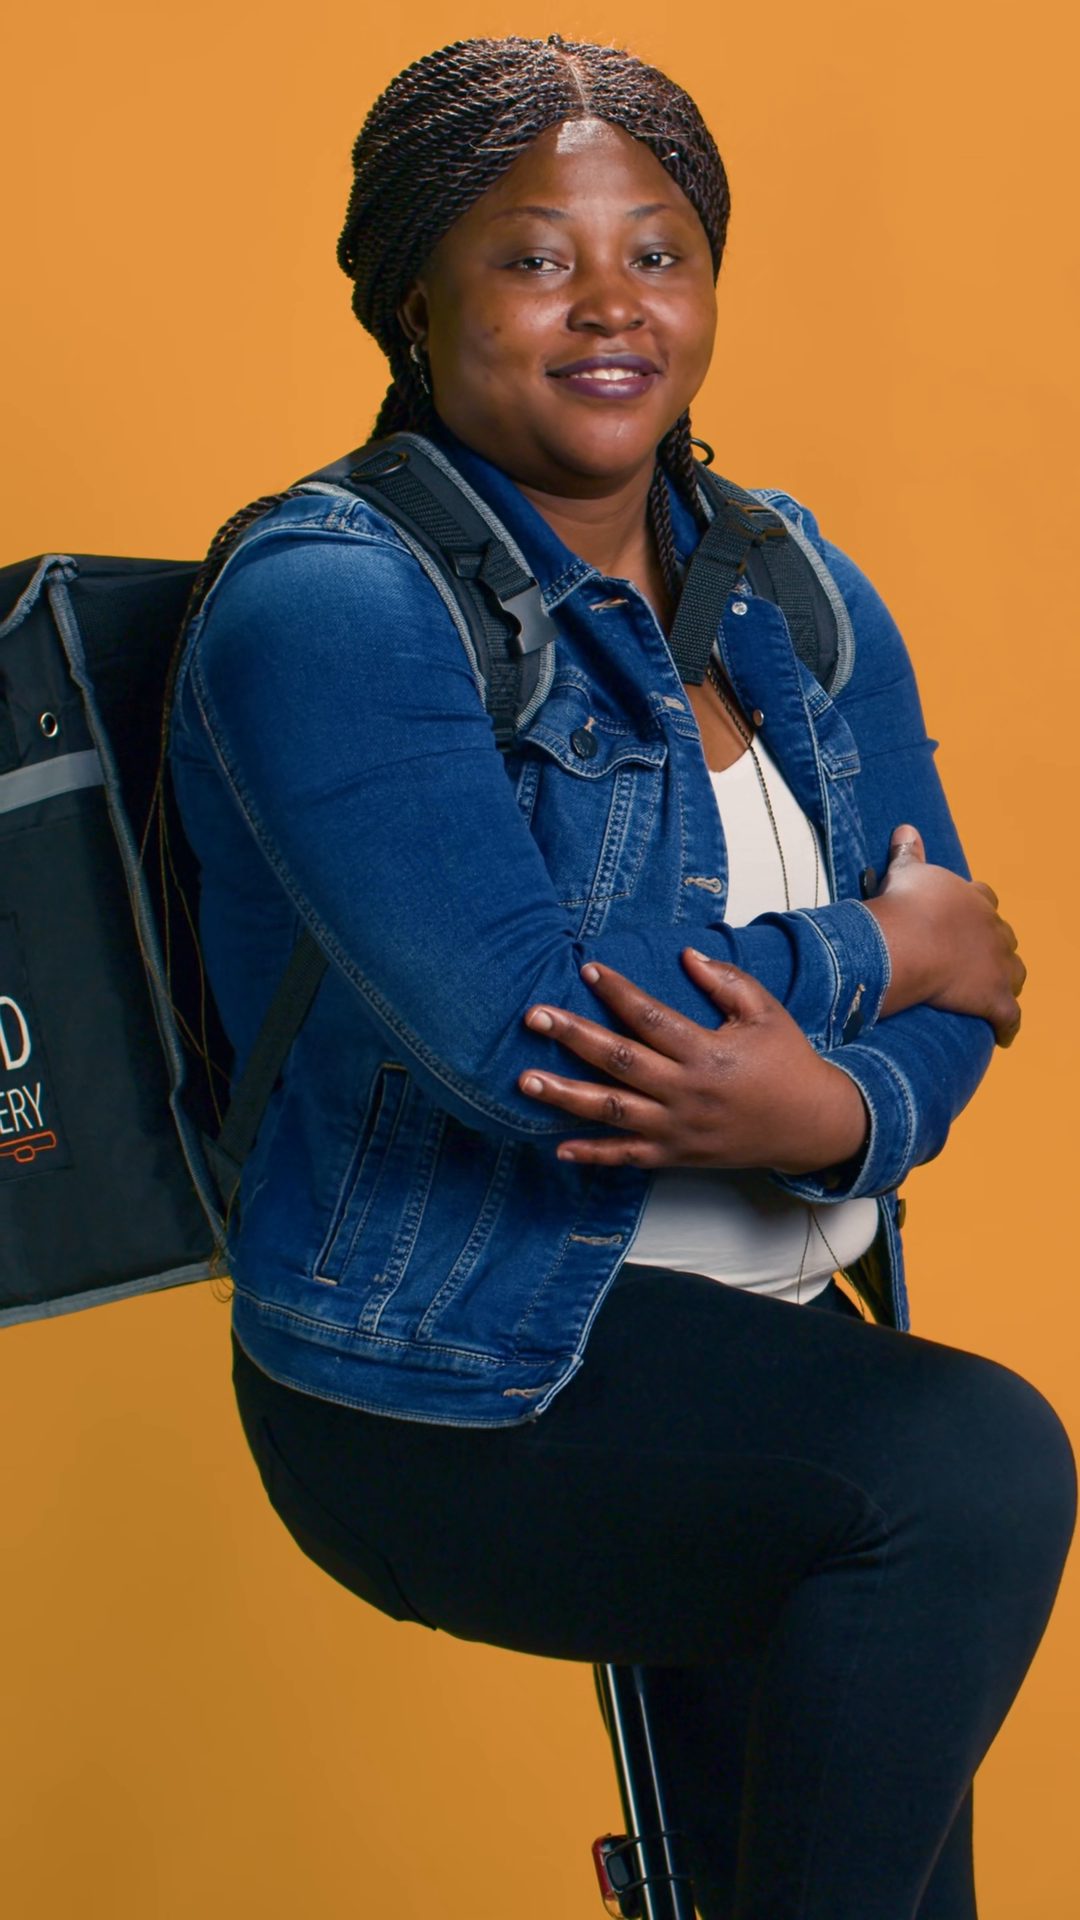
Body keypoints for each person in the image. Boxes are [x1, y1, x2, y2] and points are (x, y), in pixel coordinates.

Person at [170, 36, 1074, 1919]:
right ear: (413, 299)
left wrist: (829, 1111)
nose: (610, 305)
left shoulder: (786, 583)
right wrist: (868, 952)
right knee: (968, 1468)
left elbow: (968, 977)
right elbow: (527, 1038)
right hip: (446, 1374)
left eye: (659, 254)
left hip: (762, 1343)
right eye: (534, 257)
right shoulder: (330, 599)